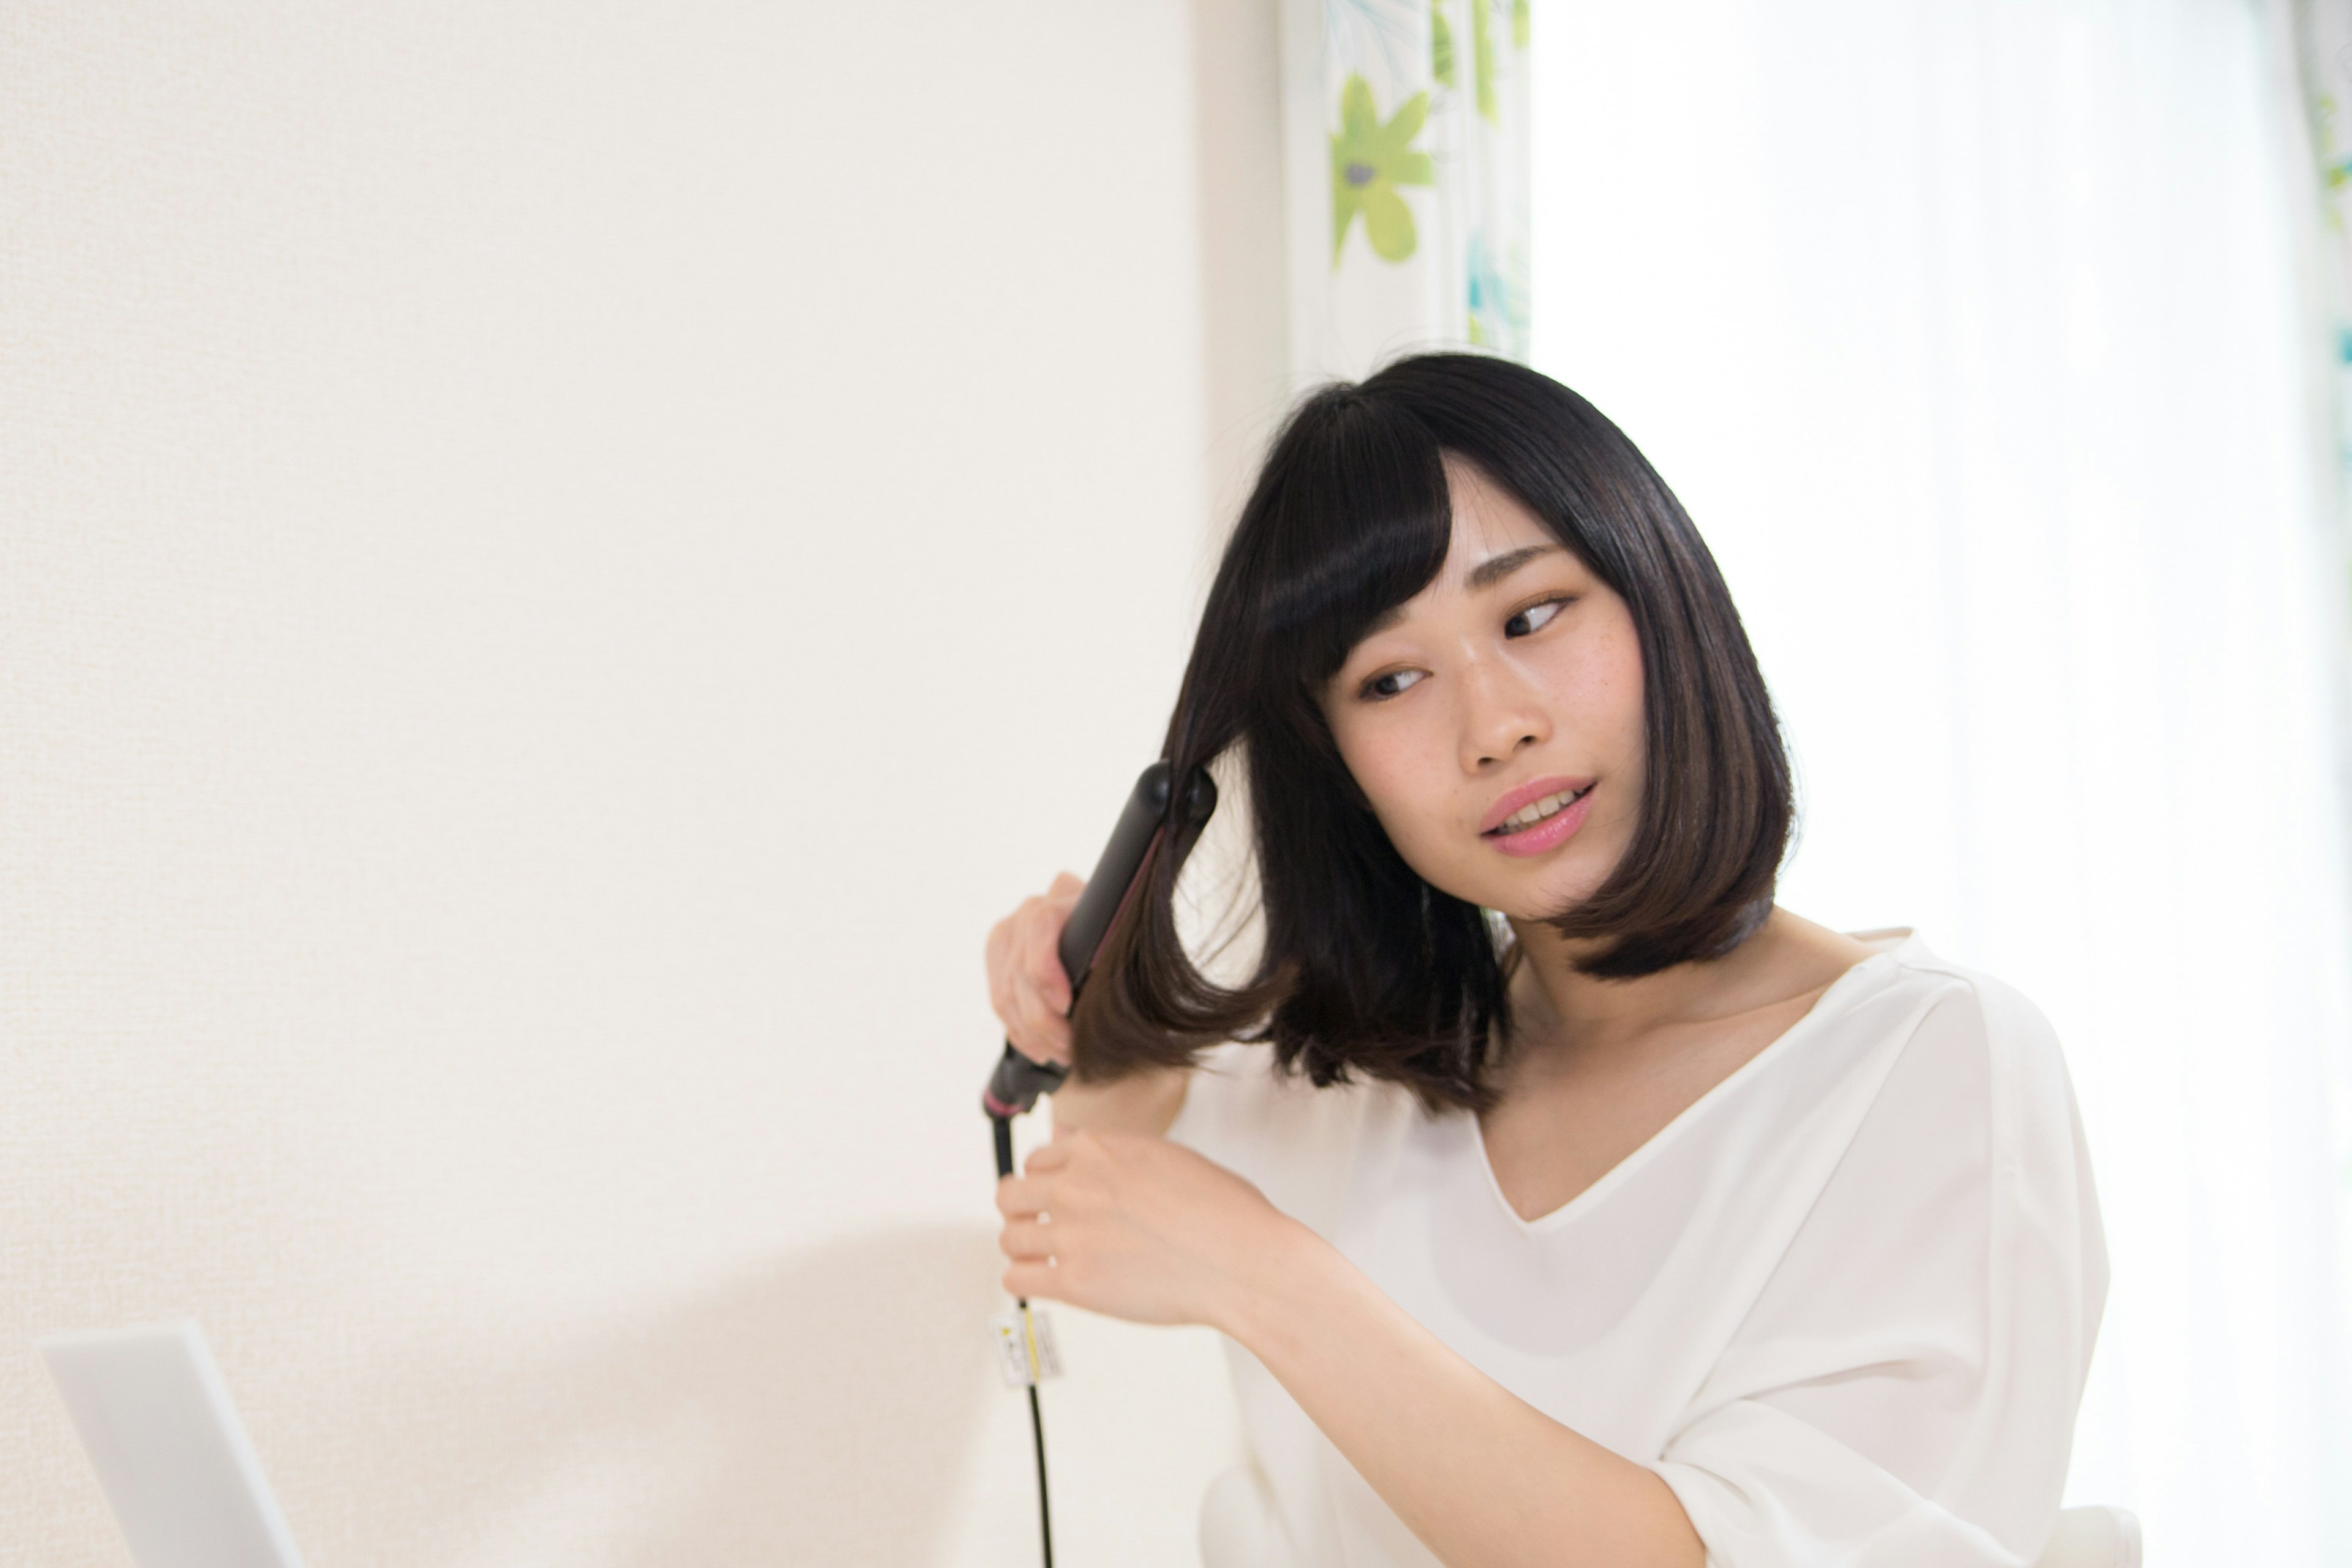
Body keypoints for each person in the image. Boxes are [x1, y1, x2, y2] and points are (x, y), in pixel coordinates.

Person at [984, 354, 2107, 1568]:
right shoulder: (1373, 1082)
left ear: (1662, 598)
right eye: (1392, 678)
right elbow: (1099, 1176)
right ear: (1339, 769)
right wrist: (1073, 994)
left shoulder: (1929, 1067)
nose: (1494, 725)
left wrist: (1271, 1279)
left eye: (1531, 615)